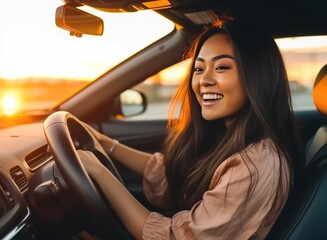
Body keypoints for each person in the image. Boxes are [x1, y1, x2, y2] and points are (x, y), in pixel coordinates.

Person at [77, 19, 302, 240]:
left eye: (222, 67)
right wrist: (104, 143)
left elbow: (177, 237)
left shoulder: (255, 165)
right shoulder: (227, 136)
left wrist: (99, 173)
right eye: (199, 68)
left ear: (257, 77)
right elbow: (173, 176)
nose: (204, 80)